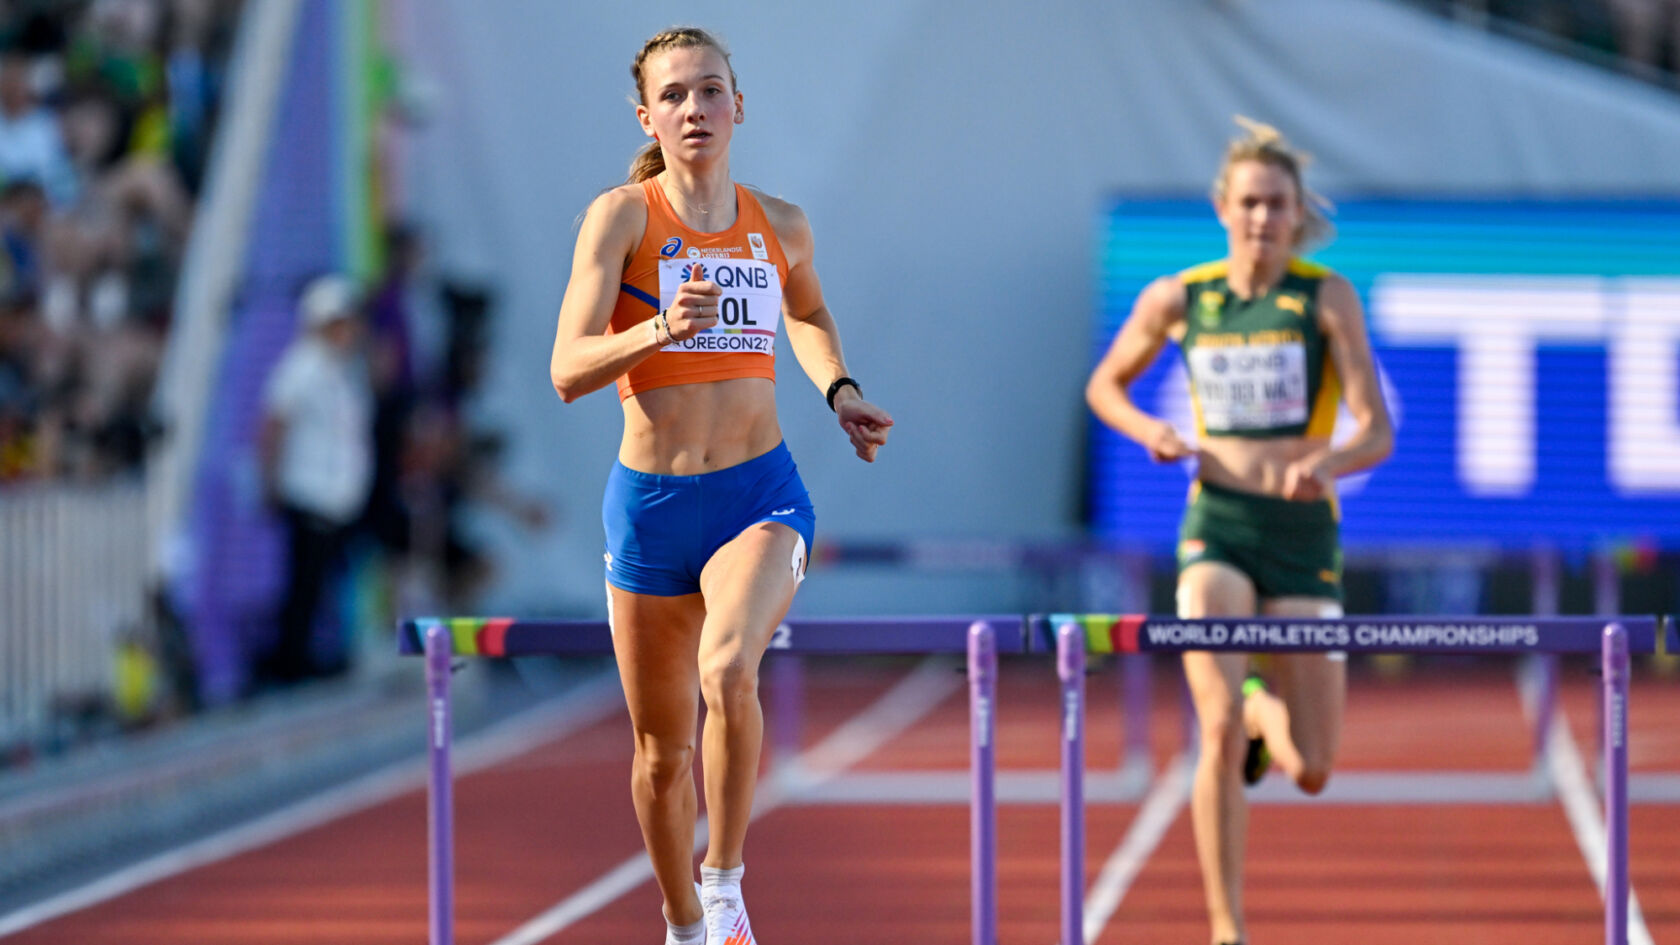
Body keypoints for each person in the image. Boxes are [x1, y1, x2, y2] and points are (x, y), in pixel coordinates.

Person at [548, 27, 892, 945]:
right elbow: (567, 368)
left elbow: (808, 310)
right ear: (647, 117)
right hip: (652, 506)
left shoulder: (779, 223)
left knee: (728, 666)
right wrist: (656, 329)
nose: (693, 109)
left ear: (739, 105)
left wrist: (840, 388)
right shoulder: (621, 217)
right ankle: (685, 922)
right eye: (674, 96)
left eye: (710, 92)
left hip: (758, 495)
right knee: (663, 757)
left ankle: (727, 878)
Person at [1085, 118, 1393, 945]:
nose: (1262, 218)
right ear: (1224, 207)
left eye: (1278, 205)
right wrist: (1146, 431)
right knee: (1211, 726)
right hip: (1215, 525)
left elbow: (1377, 426)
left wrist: (1330, 460)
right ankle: (1227, 927)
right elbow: (1105, 385)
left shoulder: (1325, 297)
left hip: (1300, 533)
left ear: (1298, 215)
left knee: (1315, 766)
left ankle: (1264, 710)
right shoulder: (1181, 297)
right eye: (1249, 202)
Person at [259, 274, 374, 685]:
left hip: (334, 495)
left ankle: (308, 655)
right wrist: (270, 481)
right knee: (303, 582)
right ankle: (290, 662)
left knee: (320, 581)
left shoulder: (341, 371)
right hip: (308, 492)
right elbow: (273, 425)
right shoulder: (301, 368)